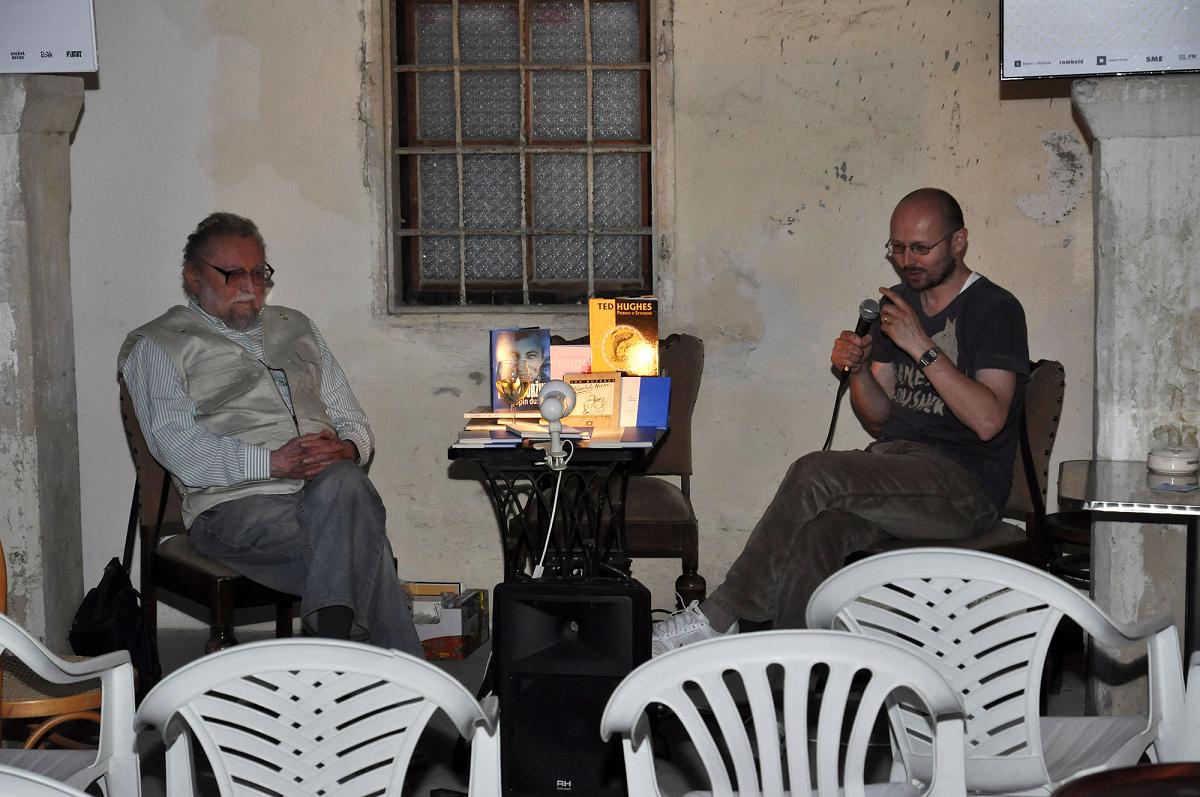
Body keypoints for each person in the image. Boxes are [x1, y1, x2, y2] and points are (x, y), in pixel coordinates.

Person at [651, 187, 1029, 654]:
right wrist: (856, 371)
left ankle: (723, 615)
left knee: (816, 472)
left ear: (958, 242)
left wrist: (921, 346)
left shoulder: (995, 309)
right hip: (898, 470)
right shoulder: (898, 307)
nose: (907, 260)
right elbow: (878, 416)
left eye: (920, 248)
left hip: (964, 488)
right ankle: (791, 682)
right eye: (898, 247)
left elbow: (990, 420)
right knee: (818, 533)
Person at [118, 212, 422, 655]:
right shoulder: (158, 344)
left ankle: (337, 652)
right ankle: (388, 683)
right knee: (359, 535)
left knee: (344, 483)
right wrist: (272, 462)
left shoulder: (295, 325)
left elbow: (349, 414)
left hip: (327, 493)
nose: (248, 286)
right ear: (193, 277)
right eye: (232, 274)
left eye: (259, 273)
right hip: (233, 507)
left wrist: (349, 447)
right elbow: (177, 449)